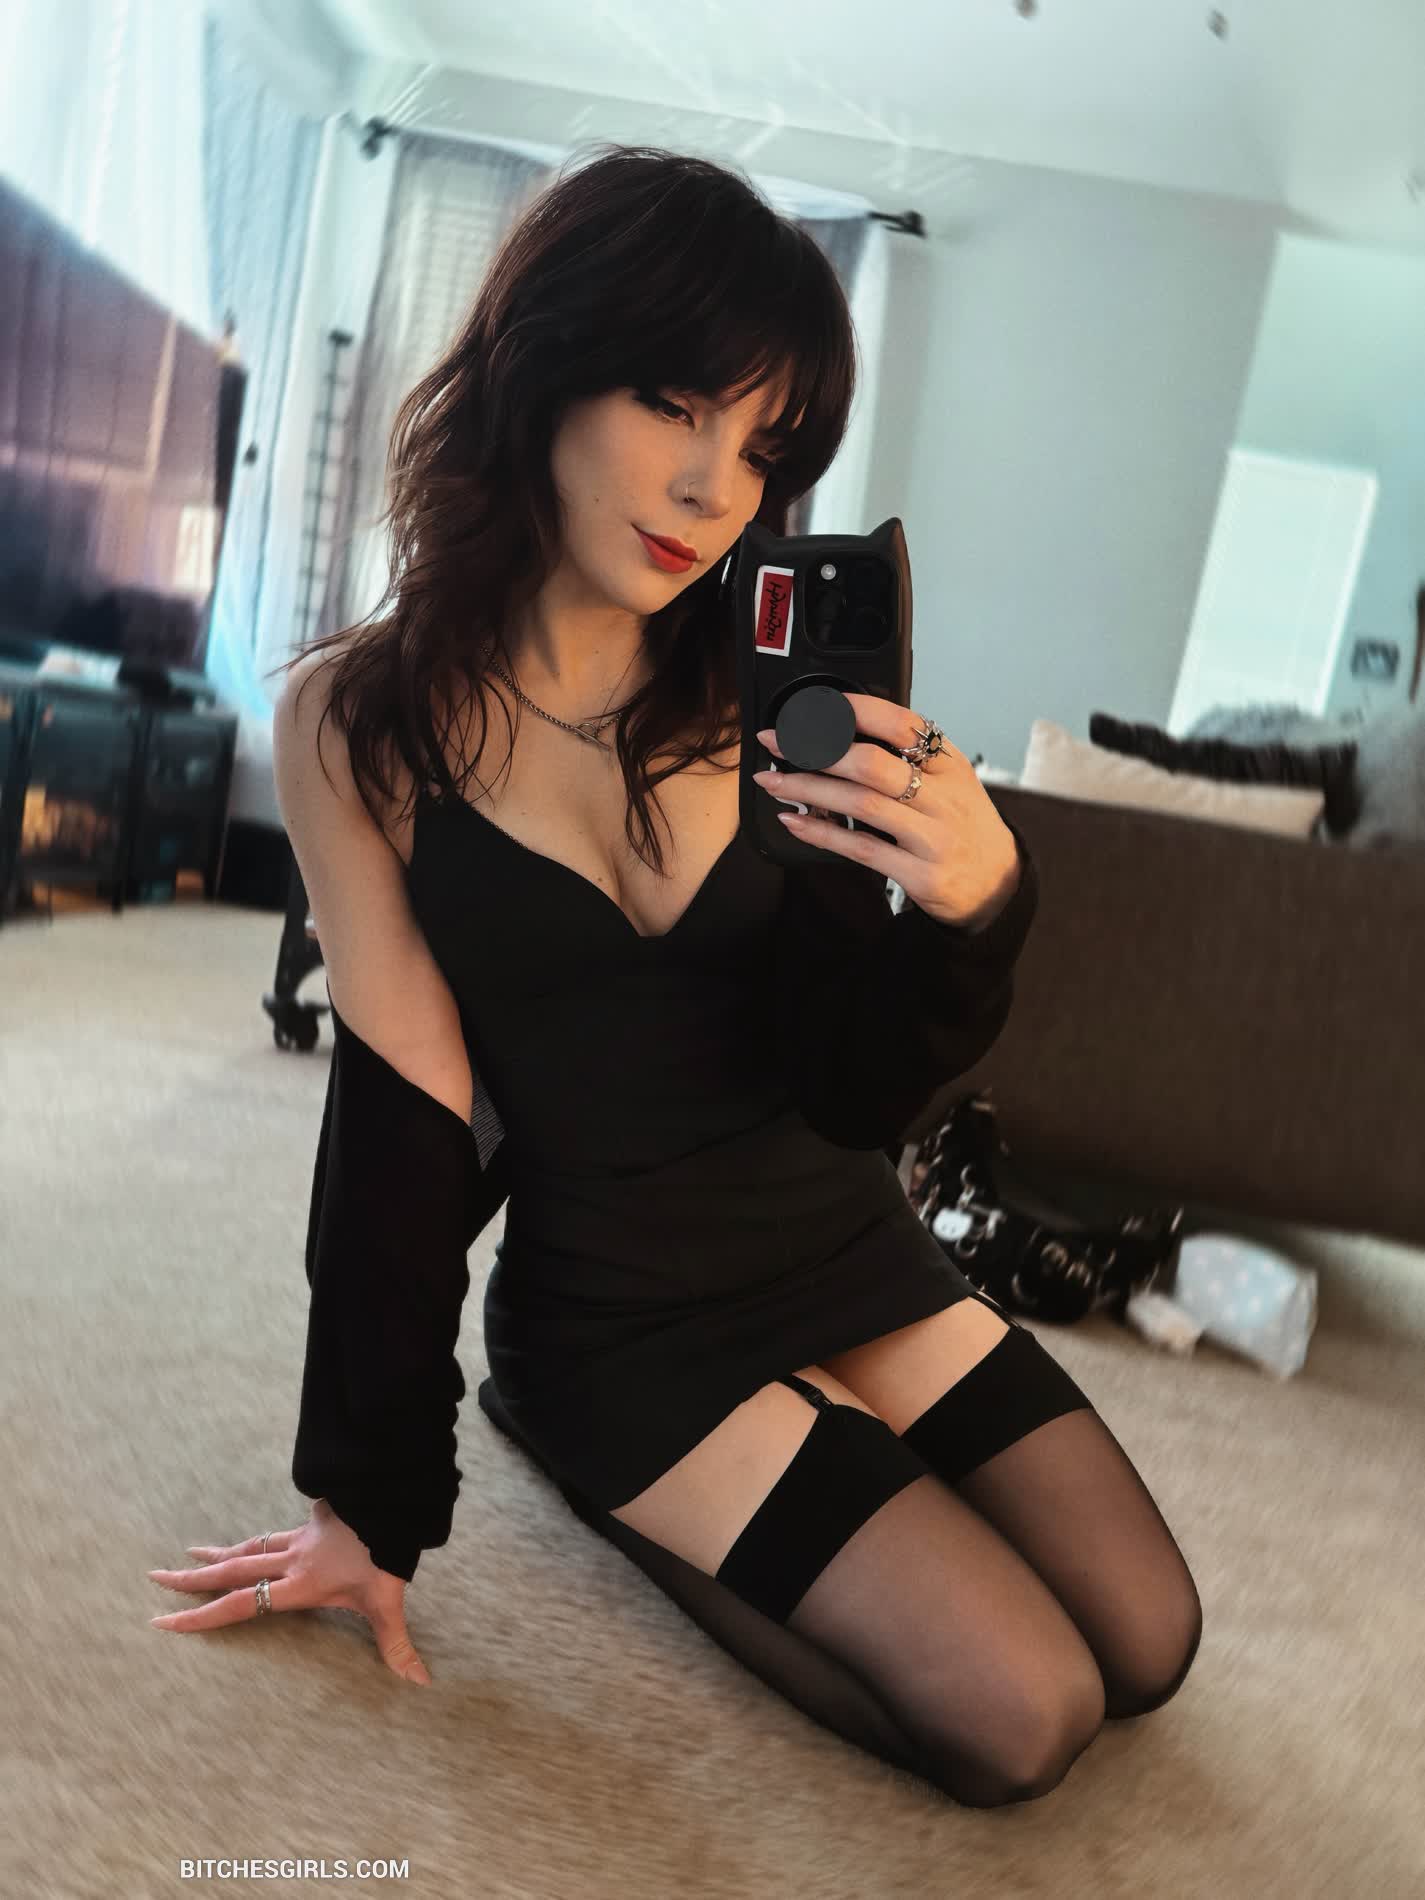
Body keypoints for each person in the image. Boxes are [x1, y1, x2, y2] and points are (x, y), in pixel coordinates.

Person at [147, 144, 1201, 1805]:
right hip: (625, 1324)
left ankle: (779, 1455)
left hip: (845, 1246)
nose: (716, 491)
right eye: (673, 403)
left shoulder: (781, 695)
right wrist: (368, 1502)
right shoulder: (357, 725)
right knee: (1025, 1713)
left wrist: (976, 908)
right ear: (543, 368)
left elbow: (855, 1086)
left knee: (1147, 1641)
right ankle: (585, 1455)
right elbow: (404, 1129)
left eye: (765, 447)